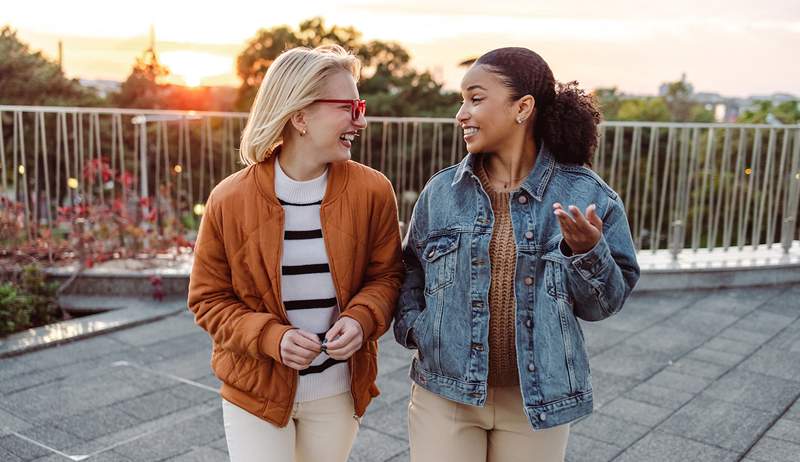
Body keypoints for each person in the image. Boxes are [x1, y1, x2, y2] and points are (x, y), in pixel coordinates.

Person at [394, 47, 641, 462]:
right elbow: (410, 272)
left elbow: (605, 304)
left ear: (522, 107)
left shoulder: (587, 196)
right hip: (445, 392)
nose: (461, 114)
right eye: (461, 101)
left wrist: (587, 252)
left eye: (475, 98)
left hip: (535, 402)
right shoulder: (440, 194)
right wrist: (418, 330)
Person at [188, 44, 403, 462]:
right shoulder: (229, 199)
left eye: (359, 105)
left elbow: (388, 277)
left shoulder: (373, 191)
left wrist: (362, 320)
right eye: (348, 106)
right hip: (255, 392)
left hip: (339, 391)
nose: (360, 119)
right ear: (300, 116)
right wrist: (273, 337)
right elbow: (208, 300)